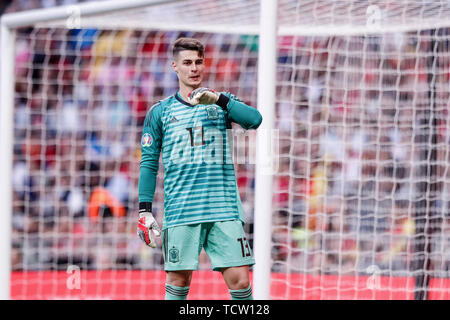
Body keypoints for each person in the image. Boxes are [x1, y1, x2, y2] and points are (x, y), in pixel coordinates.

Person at [137, 37, 262, 300]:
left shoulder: (221, 102)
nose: (194, 68)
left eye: (198, 62)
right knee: (178, 281)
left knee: (240, 282)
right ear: (175, 66)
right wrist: (144, 211)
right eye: (187, 62)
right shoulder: (160, 112)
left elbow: (255, 120)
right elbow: (148, 163)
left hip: (223, 208)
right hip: (181, 209)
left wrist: (220, 99)